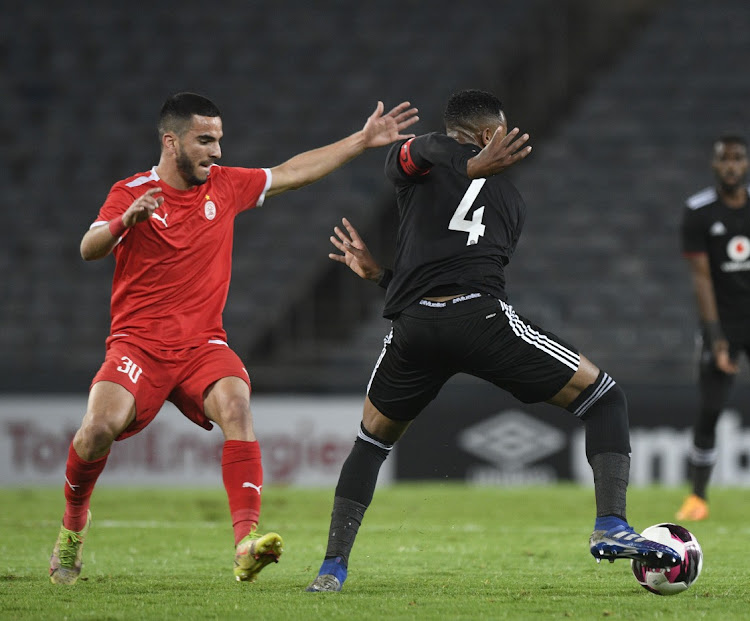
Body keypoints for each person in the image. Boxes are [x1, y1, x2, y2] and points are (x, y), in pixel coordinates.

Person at [305, 89, 680, 592]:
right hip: (480, 323)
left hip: (415, 327)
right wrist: (470, 165)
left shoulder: (410, 166)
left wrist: (380, 277)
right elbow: (464, 265)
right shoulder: (509, 200)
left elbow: (423, 206)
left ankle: (332, 570)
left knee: (370, 442)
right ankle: (610, 524)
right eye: (499, 133)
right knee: (605, 398)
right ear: (487, 135)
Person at [48, 92, 419, 585]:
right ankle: (73, 525)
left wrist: (362, 140)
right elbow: (88, 247)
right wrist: (124, 222)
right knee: (96, 431)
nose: (217, 152)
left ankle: (246, 542)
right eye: (205, 140)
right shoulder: (132, 191)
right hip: (137, 344)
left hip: (203, 344)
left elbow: (292, 172)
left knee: (237, 406)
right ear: (170, 141)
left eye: (219, 140)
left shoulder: (225, 187)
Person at [677, 134, 750, 522]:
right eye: (724, 159)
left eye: (738, 158)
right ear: (714, 164)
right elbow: (701, 279)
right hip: (724, 321)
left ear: (747, 164)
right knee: (711, 408)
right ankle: (697, 497)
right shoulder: (699, 211)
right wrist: (716, 336)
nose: (731, 166)